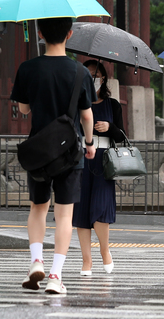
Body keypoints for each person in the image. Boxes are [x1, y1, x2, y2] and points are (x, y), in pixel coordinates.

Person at [10, 17, 97, 295]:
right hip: (70, 151)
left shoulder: (27, 68)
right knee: (64, 216)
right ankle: (56, 275)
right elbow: (86, 115)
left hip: (39, 150)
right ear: (69, 34)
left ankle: (36, 261)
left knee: (38, 207)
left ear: (40, 33)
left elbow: (24, 110)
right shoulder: (80, 72)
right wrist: (91, 143)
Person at [73, 60, 125, 276]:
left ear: (103, 78)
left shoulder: (112, 104)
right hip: (81, 158)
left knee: (101, 209)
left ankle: (105, 251)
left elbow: (122, 136)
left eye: (97, 75)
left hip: (104, 160)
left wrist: (110, 127)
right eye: (89, 74)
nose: (94, 78)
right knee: (81, 210)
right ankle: (87, 260)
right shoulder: (76, 102)